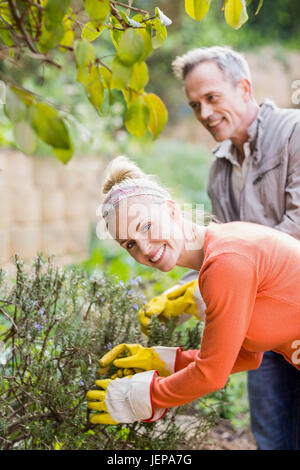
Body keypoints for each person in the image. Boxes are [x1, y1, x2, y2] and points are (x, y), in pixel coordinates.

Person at [86, 156, 300, 429]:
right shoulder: (220, 253)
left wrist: (140, 398)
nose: (146, 249)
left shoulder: (226, 263)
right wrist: (162, 361)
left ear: (172, 211)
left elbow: (211, 375)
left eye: (147, 226)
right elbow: (247, 355)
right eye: (130, 243)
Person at [170, 46, 300, 451]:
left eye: (212, 98)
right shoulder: (219, 168)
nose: (204, 113)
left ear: (244, 88)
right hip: (256, 326)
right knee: (272, 437)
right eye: (195, 105)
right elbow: (217, 245)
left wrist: (236, 281)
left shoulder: (294, 132)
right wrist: (191, 286)